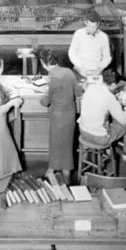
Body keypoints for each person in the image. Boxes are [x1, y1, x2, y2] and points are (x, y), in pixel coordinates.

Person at [38, 49, 83, 181]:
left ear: (43, 63)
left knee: (55, 144)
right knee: (67, 145)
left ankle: (53, 172)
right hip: (69, 116)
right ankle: (65, 174)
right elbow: (79, 93)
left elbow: (45, 102)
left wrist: (41, 97)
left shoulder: (51, 79)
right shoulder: (69, 72)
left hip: (57, 117)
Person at [77, 73, 126, 162]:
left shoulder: (90, 87)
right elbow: (123, 120)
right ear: (113, 85)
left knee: (109, 119)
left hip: (83, 132)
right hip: (100, 138)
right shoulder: (109, 97)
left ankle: (114, 150)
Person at [68, 10, 112, 79]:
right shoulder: (78, 34)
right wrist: (80, 67)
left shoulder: (104, 37)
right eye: (89, 26)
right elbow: (71, 53)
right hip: (79, 71)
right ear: (85, 22)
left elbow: (107, 57)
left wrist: (100, 68)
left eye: (94, 27)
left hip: (96, 72)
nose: (91, 29)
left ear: (98, 24)